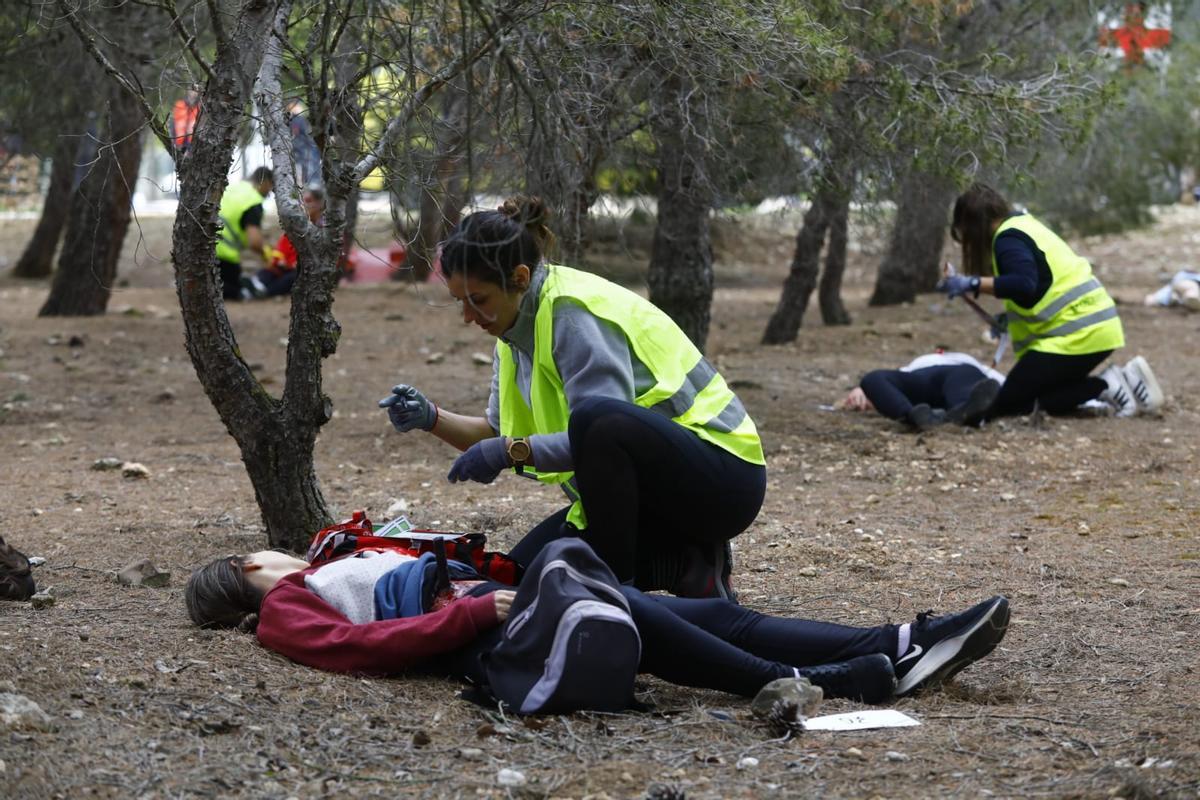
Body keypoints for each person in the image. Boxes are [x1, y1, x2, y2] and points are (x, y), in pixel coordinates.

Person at [379, 197, 766, 601]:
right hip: (651, 491)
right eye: (461, 301)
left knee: (597, 422)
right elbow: (496, 435)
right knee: (519, 580)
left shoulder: (572, 317)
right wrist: (431, 418)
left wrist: (509, 452)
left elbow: (598, 433)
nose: (468, 316)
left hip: (722, 480)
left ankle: (620, 597)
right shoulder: (512, 334)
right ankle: (690, 564)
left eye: (478, 299)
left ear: (520, 277)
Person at [184, 546, 1011, 705]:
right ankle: (800, 683)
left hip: (497, 602)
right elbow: (362, 648)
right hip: (490, 632)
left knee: (711, 612)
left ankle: (897, 642)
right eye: (262, 551)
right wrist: (471, 608)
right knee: (635, 609)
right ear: (247, 570)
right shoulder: (283, 611)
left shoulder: (324, 565)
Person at [939, 183, 1162, 422]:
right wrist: (1009, 319)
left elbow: (1024, 284)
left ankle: (1103, 386)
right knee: (1033, 394)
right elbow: (1042, 287)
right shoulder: (1023, 225)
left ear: (972, 225)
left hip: (1079, 335)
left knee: (1011, 404)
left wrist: (970, 283)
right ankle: (1125, 380)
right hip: (1094, 328)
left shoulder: (1007, 239)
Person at [848, 351, 1005, 431]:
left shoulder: (975, 365)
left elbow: (996, 387)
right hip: (921, 380)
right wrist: (865, 390)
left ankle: (962, 413)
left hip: (960, 373)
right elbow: (887, 382)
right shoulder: (911, 367)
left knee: (967, 389)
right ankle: (916, 417)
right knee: (872, 378)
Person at [246, 185, 324, 298]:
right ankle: (254, 286)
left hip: (305, 272)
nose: (303, 206)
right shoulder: (295, 227)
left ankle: (263, 291)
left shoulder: (323, 230)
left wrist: (293, 265)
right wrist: (279, 261)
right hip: (286, 268)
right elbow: (281, 250)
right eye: (302, 202)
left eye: (308, 201)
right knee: (267, 272)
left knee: (293, 276)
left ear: (318, 205)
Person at [215, 167, 274, 301]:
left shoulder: (235, 188)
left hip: (205, 247)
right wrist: (266, 253)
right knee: (235, 292)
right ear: (265, 182)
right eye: (271, 187)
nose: (270, 192)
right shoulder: (253, 202)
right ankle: (245, 288)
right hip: (224, 257)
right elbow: (254, 242)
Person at [169, 87, 201, 157]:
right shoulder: (179, 105)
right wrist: (174, 141)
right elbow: (173, 124)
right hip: (179, 142)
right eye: (191, 91)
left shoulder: (199, 108)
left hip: (192, 142)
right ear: (187, 93)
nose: (192, 94)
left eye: (195, 92)